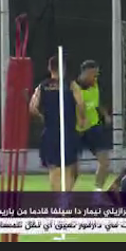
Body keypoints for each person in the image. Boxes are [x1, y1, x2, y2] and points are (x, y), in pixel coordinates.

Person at [29, 55, 86, 192]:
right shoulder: (71, 85)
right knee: (69, 168)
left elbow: (32, 107)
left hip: (50, 132)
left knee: (54, 168)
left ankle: (58, 199)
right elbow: (81, 103)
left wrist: (42, 117)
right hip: (68, 131)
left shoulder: (43, 86)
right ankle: (65, 199)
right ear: (64, 68)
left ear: (50, 68)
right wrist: (81, 120)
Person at [75, 60, 111, 191]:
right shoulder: (73, 87)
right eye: (93, 74)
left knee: (105, 162)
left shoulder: (95, 85)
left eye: (97, 75)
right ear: (85, 73)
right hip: (76, 130)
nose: (95, 77)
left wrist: (105, 114)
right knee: (73, 167)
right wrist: (80, 119)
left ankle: (98, 191)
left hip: (94, 128)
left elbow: (96, 102)